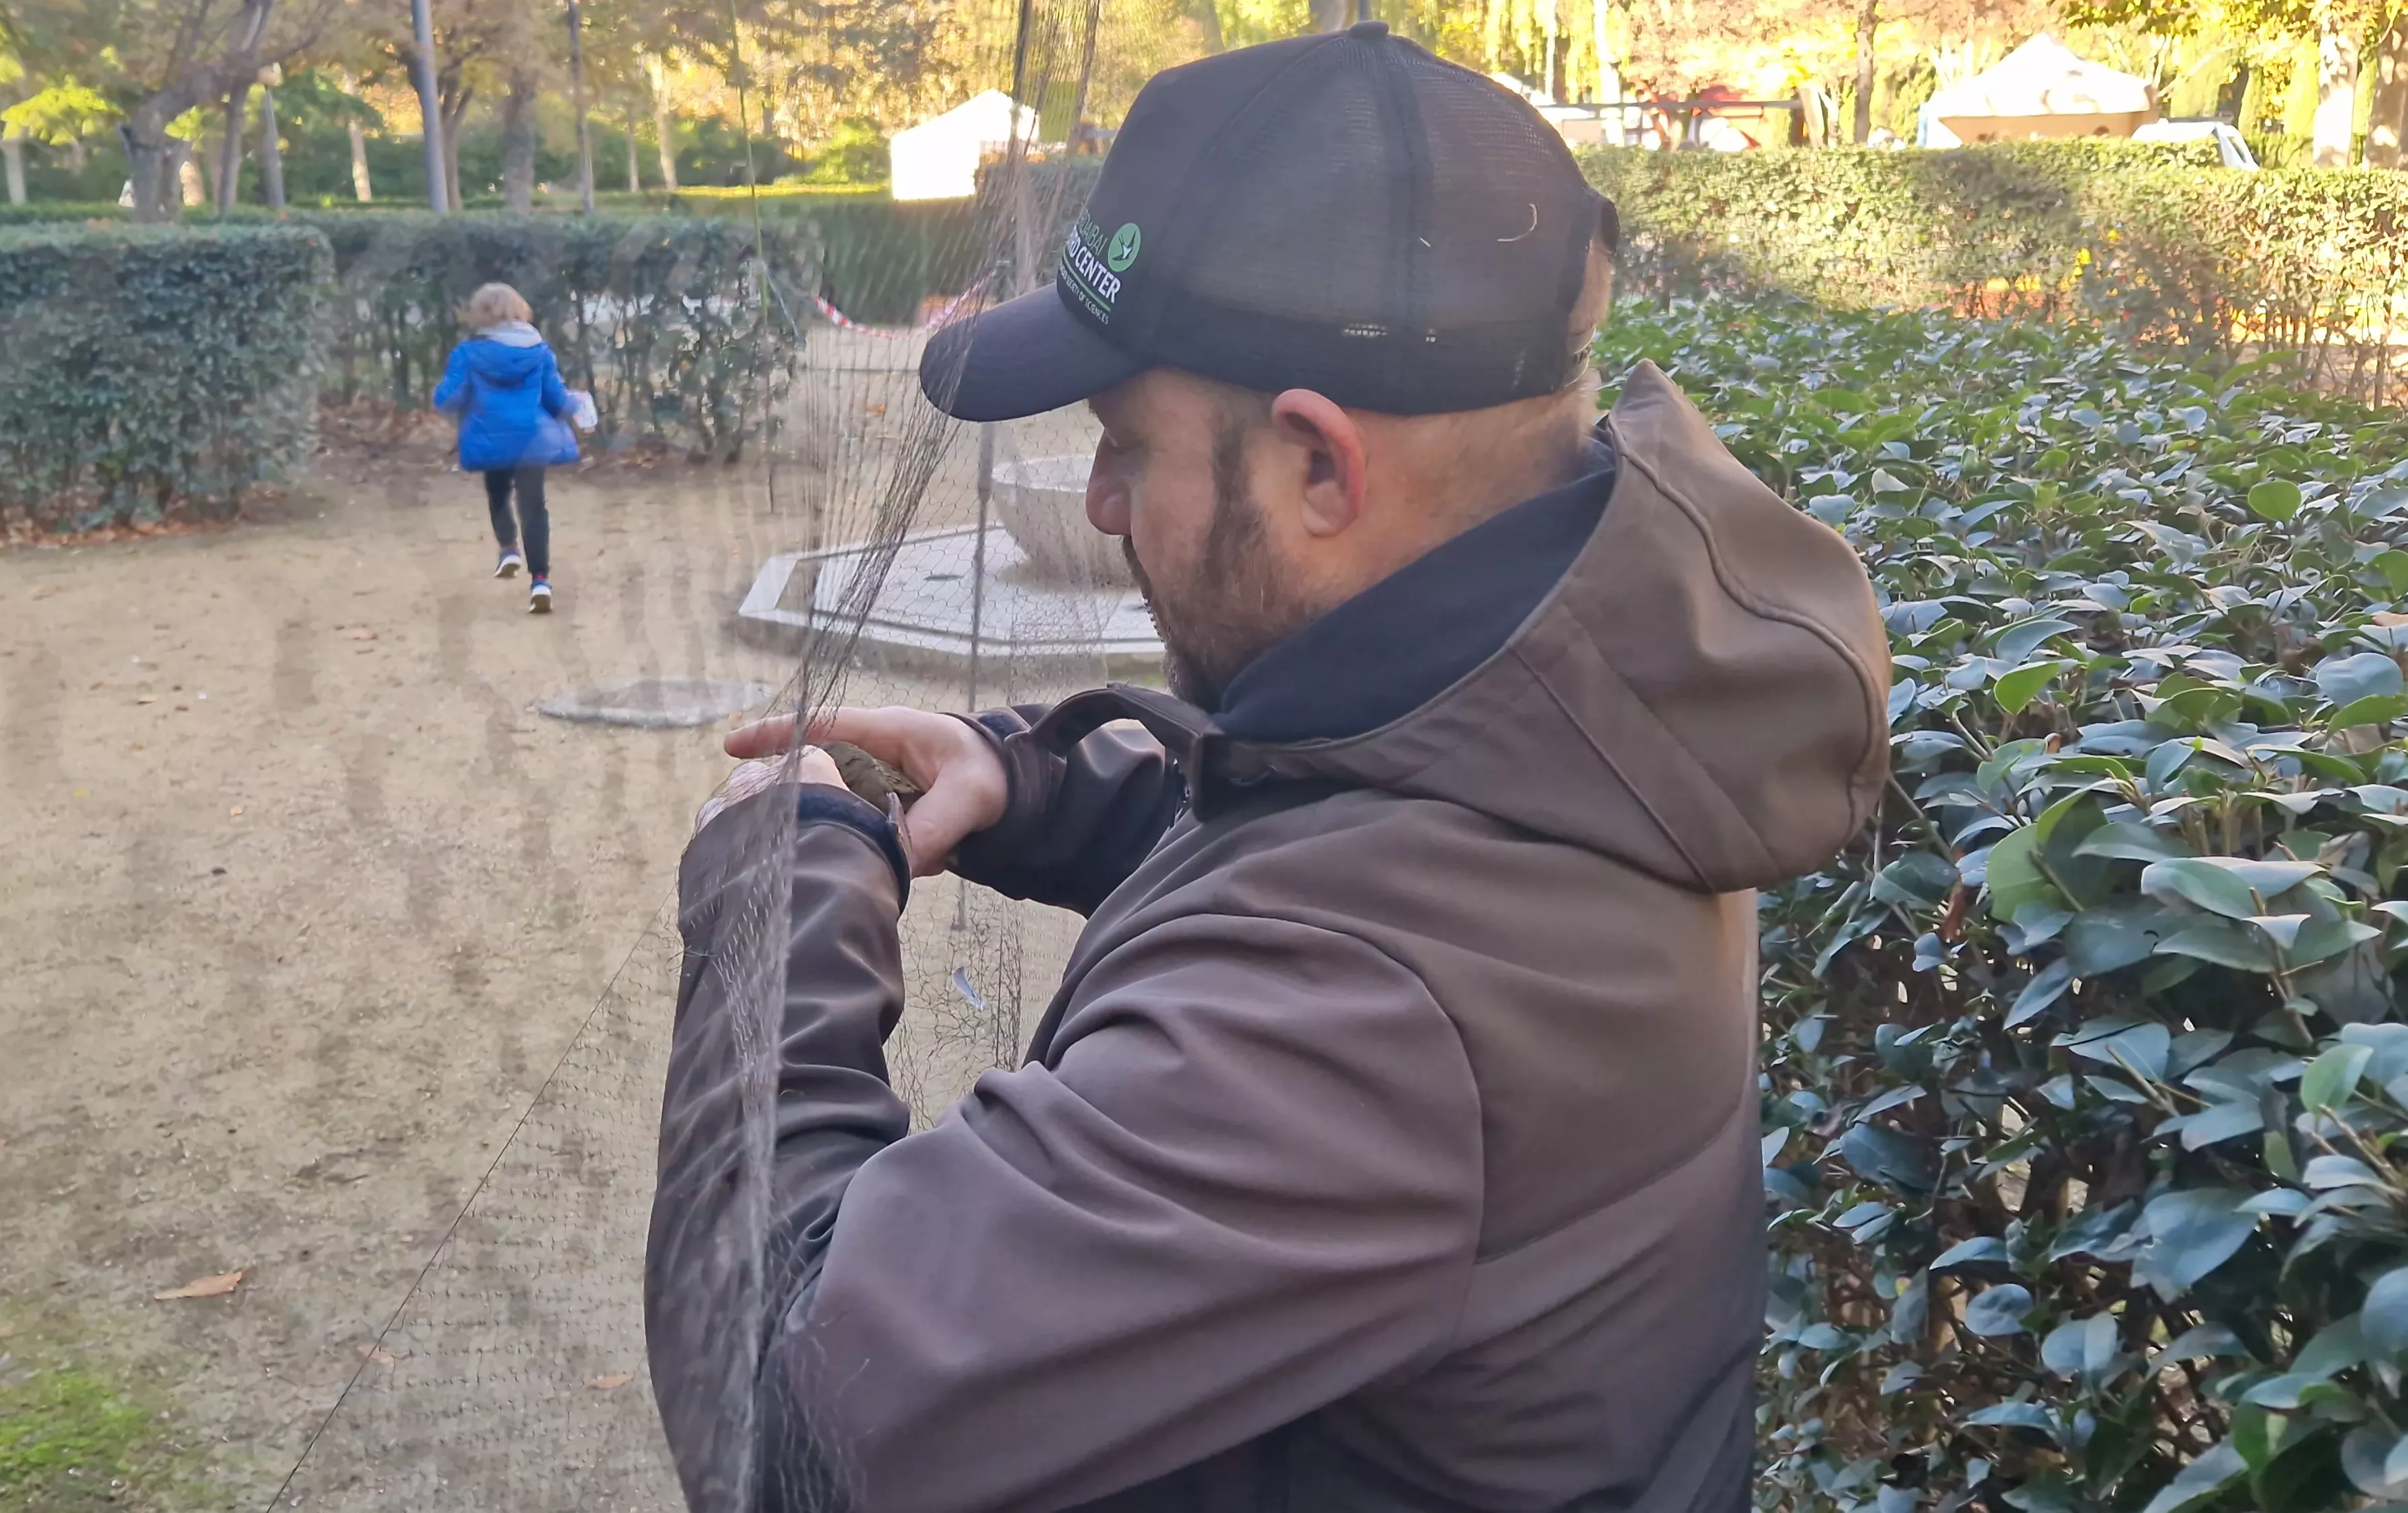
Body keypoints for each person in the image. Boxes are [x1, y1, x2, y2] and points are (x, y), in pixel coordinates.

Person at [648, 23, 1891, 1513]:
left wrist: (781, 890)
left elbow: (788, 1420)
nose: (1100, 502)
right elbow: (1360, 809)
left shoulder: (1375, 1019)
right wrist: (1040, 785)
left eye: (1125, 443)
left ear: (1321, 464)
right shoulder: (1596, 699)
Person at [432, 282, 578, 614]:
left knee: (498, 492)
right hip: (532, 440)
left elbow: (448, 398)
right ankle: (540, 581)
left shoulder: (467, 353)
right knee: (534, 506)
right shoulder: (540, 352)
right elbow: (556, 399)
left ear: (480, 314)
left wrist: (456, 398)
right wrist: (577, 407)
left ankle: (508, 548)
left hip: (490, 438)